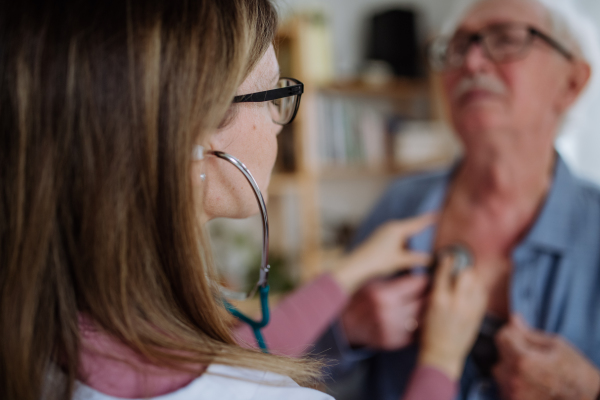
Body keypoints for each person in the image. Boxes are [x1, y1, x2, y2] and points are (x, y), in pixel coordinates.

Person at [0, 0, 489, 400]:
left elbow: (232, 353)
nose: (280, 121)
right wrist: (442, 358)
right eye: (274, 92)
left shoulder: (41, 339)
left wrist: (351, 270)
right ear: (202, 131)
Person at [314, 0, 600, 399]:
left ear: (572, 82)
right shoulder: (398, 205)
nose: (472, 62)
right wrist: (348, 329)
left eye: (505, 39)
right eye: (457, 47)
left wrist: (591, 389)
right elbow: (302, 372)